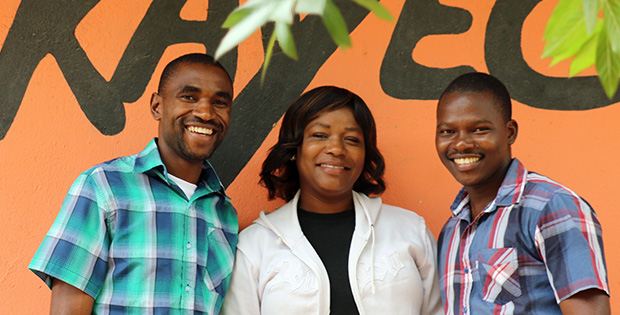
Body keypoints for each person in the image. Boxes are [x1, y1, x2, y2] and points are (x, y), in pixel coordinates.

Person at [28, 53, 239, 314]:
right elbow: (68, 308)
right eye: (189, 97)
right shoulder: (103, 187)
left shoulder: (224, 212)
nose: (206, 112)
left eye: (220, 102)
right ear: (157, 106)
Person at [221, 86, 442, 315]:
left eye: (352, 139)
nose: (336, 149)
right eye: (320, 135)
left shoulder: (410, 230)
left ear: (365, 153)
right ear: (295, 148)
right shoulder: (254, 246)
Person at [435, 72, 610, 314]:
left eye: (479, 129)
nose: (461, 144)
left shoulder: (551, 206)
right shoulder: (451, 231)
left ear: (509, 132)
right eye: (447, 132)